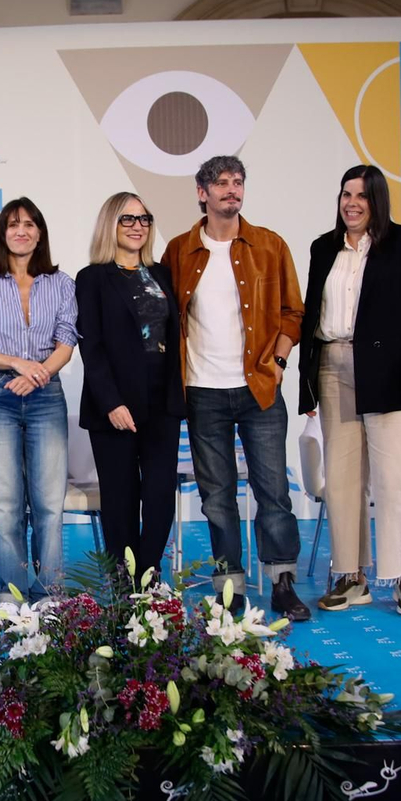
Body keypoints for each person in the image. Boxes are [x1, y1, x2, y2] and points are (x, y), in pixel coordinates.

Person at [163, 155, 310, 620]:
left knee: (274, 492)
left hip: (259, 388)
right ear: (202, 192)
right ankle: (231, 588)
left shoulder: (269, 245)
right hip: (202, 392)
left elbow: (293, 312)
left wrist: (279, 361)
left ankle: (282, 582)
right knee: (217, 498)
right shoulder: (179, 250)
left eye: (238, 181)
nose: (232, 190)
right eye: (222, 182)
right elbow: (165, 318)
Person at [297, 165, 401, 618]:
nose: (352, 203)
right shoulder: (323, 247)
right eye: (346, 194)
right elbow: (311, 314)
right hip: (332, 367)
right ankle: (350, 576)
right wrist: (305, 382)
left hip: (390, 373)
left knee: (394, 478)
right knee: (341, 480)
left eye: (361, 195)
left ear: (377, 200)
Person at [0, 197, 78, 600]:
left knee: (49, 505)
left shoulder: (62, 283)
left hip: (47, 397)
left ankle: (50, 594)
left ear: (40, 232)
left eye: (29, 224)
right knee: (6, 506)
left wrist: (38, 373)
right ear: (2, 234)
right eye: (13, 225)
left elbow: (67, 341)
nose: (21, 231)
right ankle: (12, 594)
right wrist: (17, 364)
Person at [75, 191, 184, 580]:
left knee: (159, 497)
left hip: (161, 403)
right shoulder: (92, 278)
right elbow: (91, 346)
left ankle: (149, 579)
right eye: (128, 219)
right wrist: (111, 402)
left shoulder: (162, 274)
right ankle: (124, 585)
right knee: (120, 500)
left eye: (144, 219)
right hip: (115, 406)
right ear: (110, 223)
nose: (138, 226)